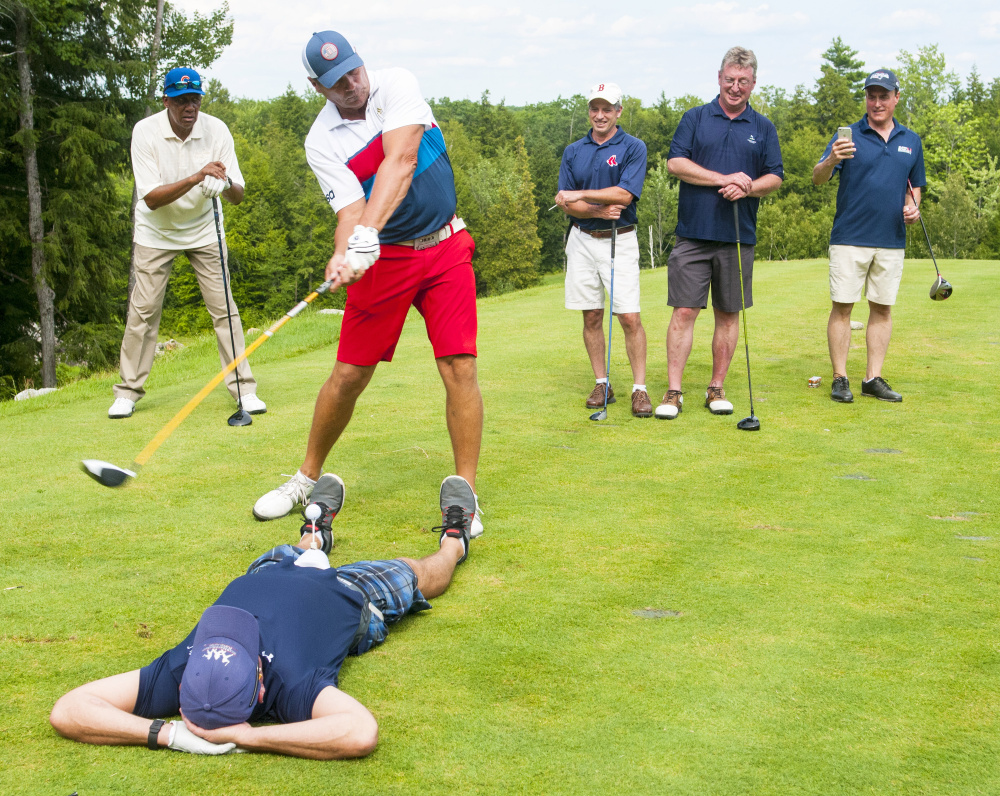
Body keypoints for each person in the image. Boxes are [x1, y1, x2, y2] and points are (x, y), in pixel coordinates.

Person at [49, 474, 479, 759]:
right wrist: (249, 737)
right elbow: (359, 732)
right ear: (259, 689)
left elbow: (69, 709)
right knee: (419, 571)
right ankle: (456, 537)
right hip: (347, 597)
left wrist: (169, 734)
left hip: (269, 570)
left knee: (298, 554)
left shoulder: (180, 670)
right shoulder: (291, 687)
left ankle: (314, 533)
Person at [253, 31, 483, 532]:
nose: (352, 85)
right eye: (337, 82)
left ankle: (466, 496)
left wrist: (365, 235)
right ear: (318, 86)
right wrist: (345, 252)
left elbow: (401, 162)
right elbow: (349, 209)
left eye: (354, 72)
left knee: (459, 365)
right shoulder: (320, 141)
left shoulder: (396, 84)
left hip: (444, 246)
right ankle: (305, 478)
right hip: (388, 261)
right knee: (349, 375)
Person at [110, 67, 264, 419]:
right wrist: (198, 177)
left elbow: (238, 194)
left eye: (194, 98)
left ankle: (244, 389)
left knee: (225, 309)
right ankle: (128, 392)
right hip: (156, 232)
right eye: (181, 100)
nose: (189, 107)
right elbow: (150, 198)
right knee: (144, 312)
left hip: (205, 229)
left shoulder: (217, 129)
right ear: (166, 100)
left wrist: (223, 183)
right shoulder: (145, 132)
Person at [659, 47, 783, 420]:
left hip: (737, 236)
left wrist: (747, 187)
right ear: (719, 77)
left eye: (743, 81)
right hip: (693, 235)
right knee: (684, 312)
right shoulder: (695, 118)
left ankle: (716, 388)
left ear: (753, 84)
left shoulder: (762, 128)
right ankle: (674, 391)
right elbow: (675, 163)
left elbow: (775, 176)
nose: (735, 87)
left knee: (728, 315)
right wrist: (723, 178)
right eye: (729, 79)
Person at [812, 69, 925, 403]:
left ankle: (872, 378)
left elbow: (914, 187)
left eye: (883, 96)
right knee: (842, 308)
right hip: (849, 236)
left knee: (882, 309)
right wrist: (832, 157)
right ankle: (840, 378)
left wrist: (913, 208)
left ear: (896, 98)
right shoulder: (848, 135)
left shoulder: (910, 140)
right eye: (871, 96)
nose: (876, 103)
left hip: (891, 239)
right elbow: (818, 178)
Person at [555, 83, 651, 417]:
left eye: (607, 109)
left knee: (628, 316)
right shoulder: (573, 150)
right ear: (589, 111)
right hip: (581, 238)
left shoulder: (633, 147)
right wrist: (594, 209)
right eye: (595, 108)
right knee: (592, 314)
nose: (600, 115)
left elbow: (625, 195)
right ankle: (602, 383)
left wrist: (581, 196)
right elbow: (566, 204)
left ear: (618, 111)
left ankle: (640, 389)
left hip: (619, 238)